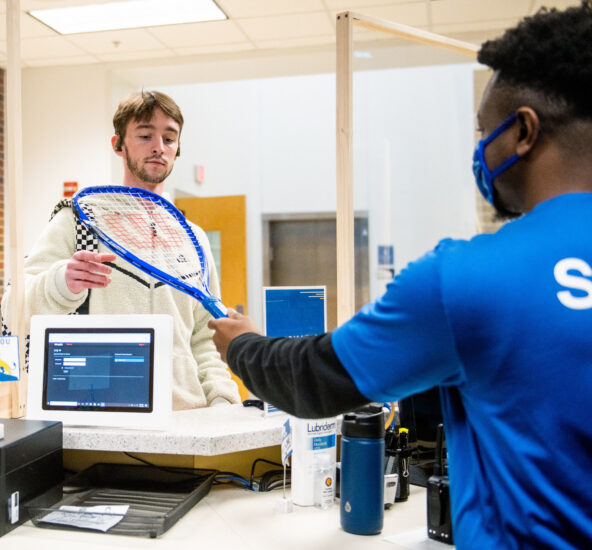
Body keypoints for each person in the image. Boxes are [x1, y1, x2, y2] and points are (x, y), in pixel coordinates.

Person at [208, 2, 592, 548]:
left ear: (523, 132)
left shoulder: (466, 279)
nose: (481, 151)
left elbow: (315, 379)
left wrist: (241, 344)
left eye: (486, 132)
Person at [2, 90, 240, 409]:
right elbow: (11, 309)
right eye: (145, 135)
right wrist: (62, 284)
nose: (158, 146)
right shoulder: (76, 219)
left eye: (169, 139)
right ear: (118, 145)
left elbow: (204, 338)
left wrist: (223, 401)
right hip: (99, 417)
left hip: (189, 421)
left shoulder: (193, 237)